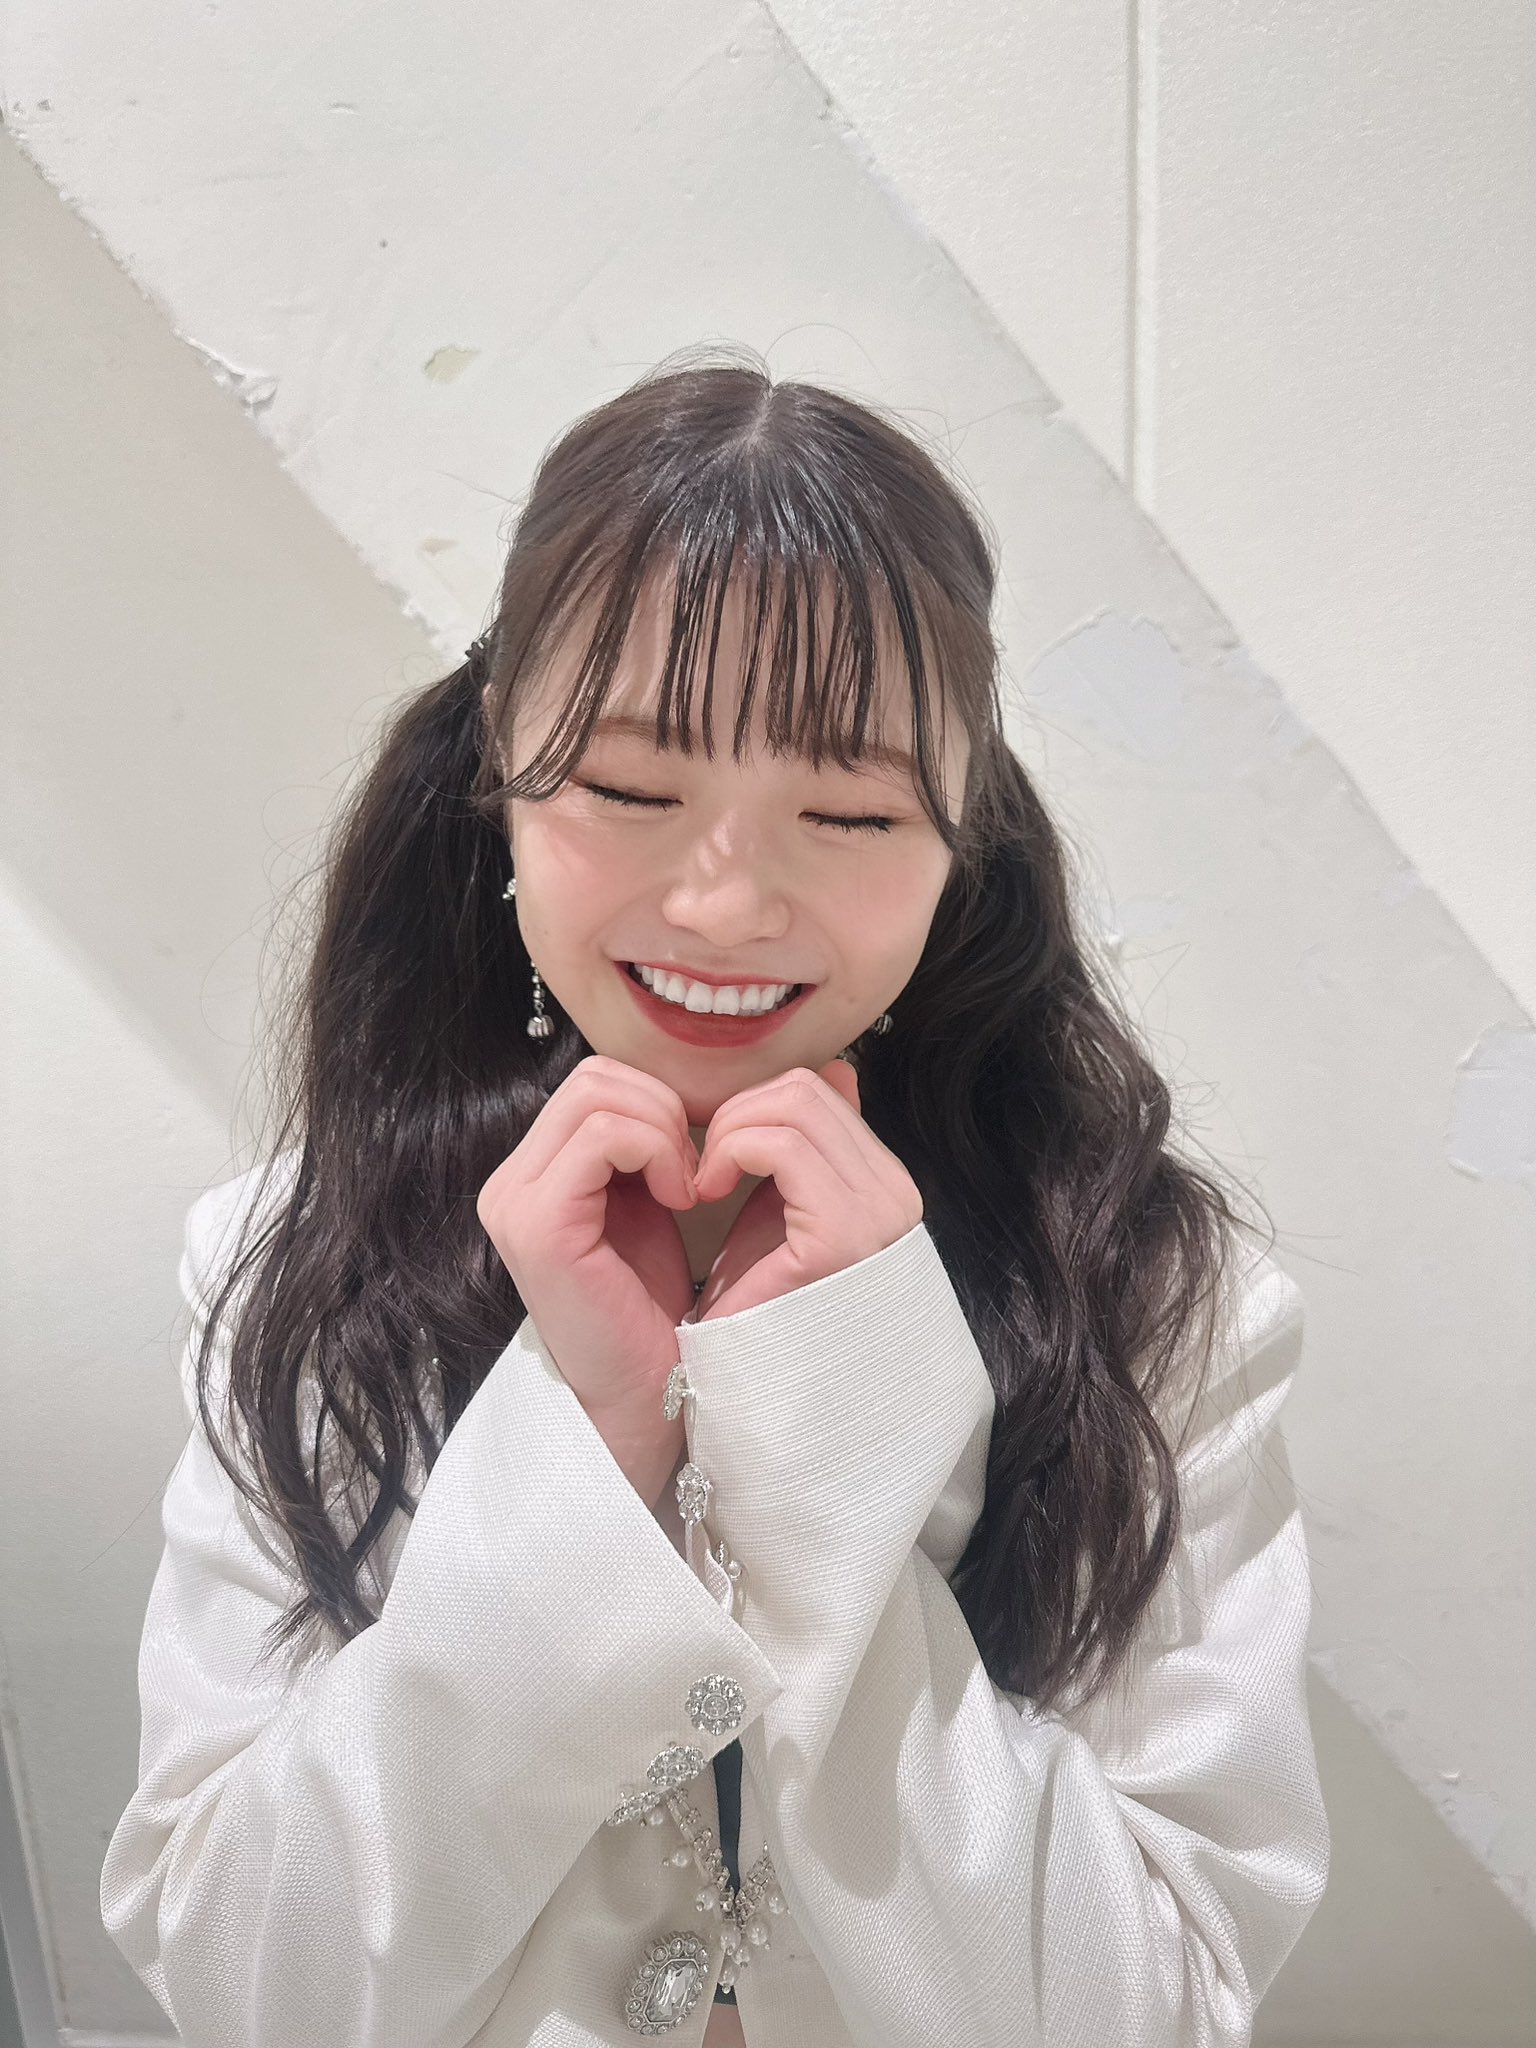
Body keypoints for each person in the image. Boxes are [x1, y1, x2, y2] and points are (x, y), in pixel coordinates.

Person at [100, 347, 1329, 2047]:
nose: (727, 904)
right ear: (499, 778)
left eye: (849, 811)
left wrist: (830, 1435)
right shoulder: (297, 1260)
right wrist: (589, 1441)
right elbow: (254, 1987)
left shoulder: (1157, 1298)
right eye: (627, 788)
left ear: (961, 841)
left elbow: (1157, 2010)